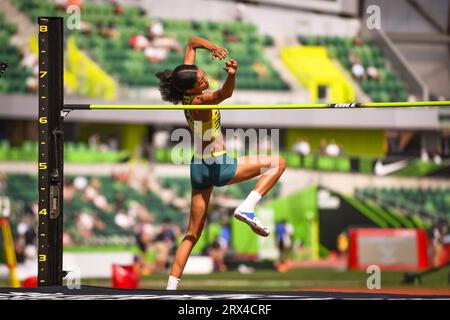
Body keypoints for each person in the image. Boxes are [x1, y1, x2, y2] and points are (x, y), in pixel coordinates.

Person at [156, 36, 286, 290]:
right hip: (218, 164)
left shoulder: (186, 85)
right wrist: (232, 75)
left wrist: (213, 47)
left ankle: (170, 290)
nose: (206, 80)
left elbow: (191, 43)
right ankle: (247, 207)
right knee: (277, 163)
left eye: (203, 76)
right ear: (191, 89)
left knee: (192, 235)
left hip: (198, 168)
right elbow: (225, 93)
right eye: (202, 81)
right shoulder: (200, 101)